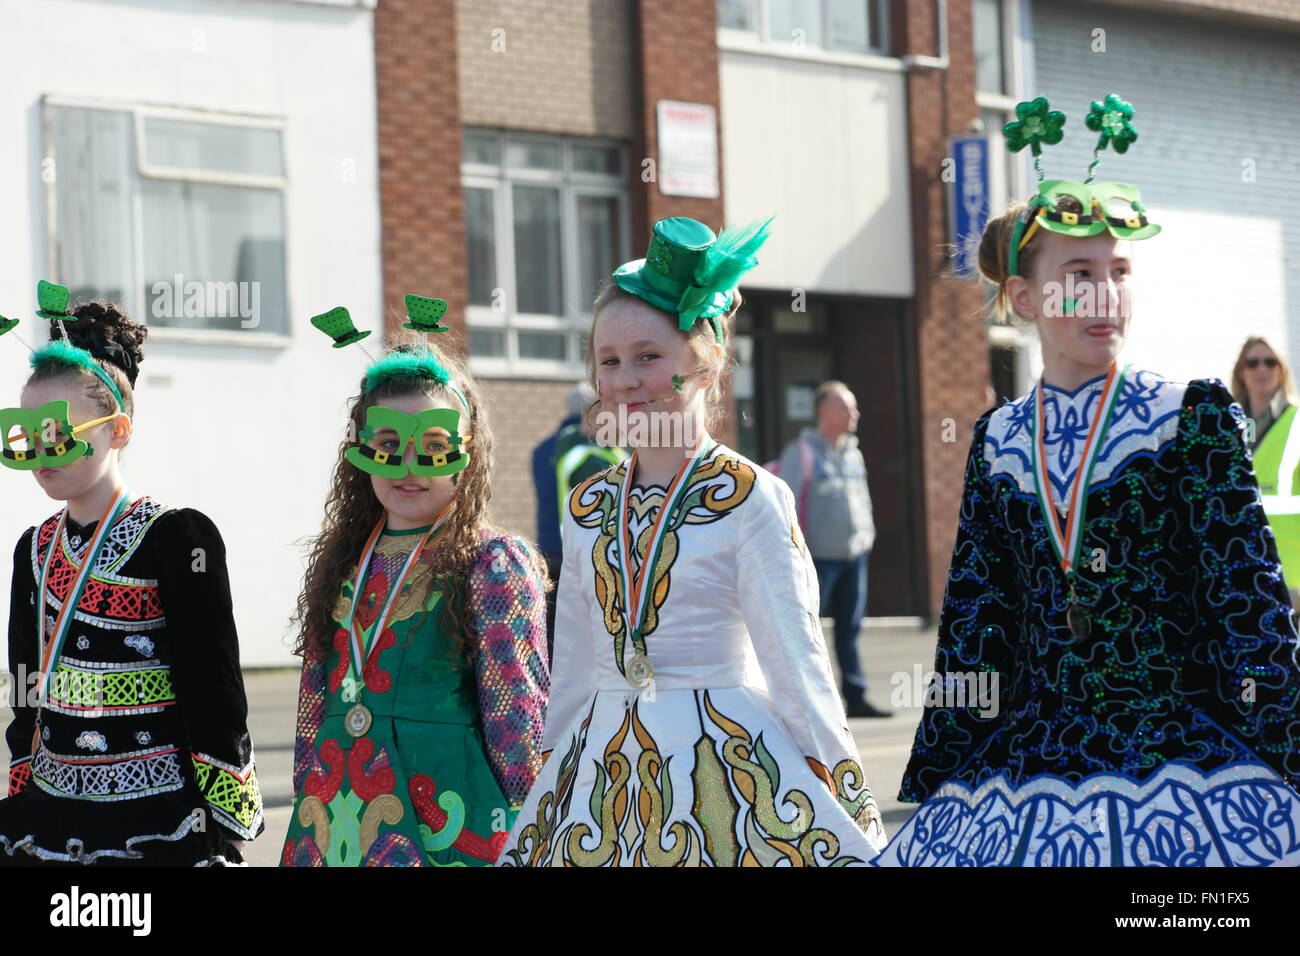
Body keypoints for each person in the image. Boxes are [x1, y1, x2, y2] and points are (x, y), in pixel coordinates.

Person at [875, 96, 1300, 866]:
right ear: (1025, 297)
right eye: (1080, 273)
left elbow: (1248, 606)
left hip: (1181, 765)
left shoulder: (1190, 417)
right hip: (1028, 768)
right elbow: (978, 629)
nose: (1106, 294)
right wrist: (944, 778)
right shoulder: (998, 440)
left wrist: (1286, 752)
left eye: (1120, 272)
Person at [499, 217, 886, 867]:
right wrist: (548, 784)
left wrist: (851, 806)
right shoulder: (586, 507)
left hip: (725, 776)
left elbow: (798, 668)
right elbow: (570, 673)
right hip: (601, 783)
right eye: (609, 361)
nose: (624, 381)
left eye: (649, 357)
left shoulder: (753, 497)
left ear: (705, 364)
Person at [0, 283, 262, 865]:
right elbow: (24, 680)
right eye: (25, 434)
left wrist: (224, 815)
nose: (43, 452)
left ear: (116, 431)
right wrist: (22, 783)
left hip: (157, 809)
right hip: (50, 802)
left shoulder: (176, 536)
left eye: (60, 432)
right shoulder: (33, 549)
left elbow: (212, 684)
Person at [281, 298, 549, 866]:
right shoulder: (343, 563)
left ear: (467, 454)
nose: (407, 468)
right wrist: (306, 798)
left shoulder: (492, 562)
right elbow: (315, 702)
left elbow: (515, 711)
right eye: (387, 447)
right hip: (333, 821)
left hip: (447, 823)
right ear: (360, 453)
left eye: (432, 447)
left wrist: (538, 824)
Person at [779, 381, 888, 718]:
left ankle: (855, 697)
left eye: (852, 408)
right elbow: (787, 506)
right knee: (806, 630)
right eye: (845, 408)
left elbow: (864, 499)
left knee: (850, 629)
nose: (853, 414)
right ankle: (804, 700)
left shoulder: (854, 452)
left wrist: (866, 537)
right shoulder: (801, 453)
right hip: (819, 559)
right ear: (824, 412)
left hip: (854, 556)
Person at [532, 383, 624, 657]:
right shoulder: (593, 453)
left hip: (549, 546)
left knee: (554, 629)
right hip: (583, 551)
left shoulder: (542, 449)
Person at [1231, 337, 1300, 604]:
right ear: (1241, 371)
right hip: (1243, 570)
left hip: (1292, 574)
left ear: (1281, 370)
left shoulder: (1296, 421)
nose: (1262, 369)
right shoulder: (1227, 426)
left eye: (1270, 362)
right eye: (1253, 362)